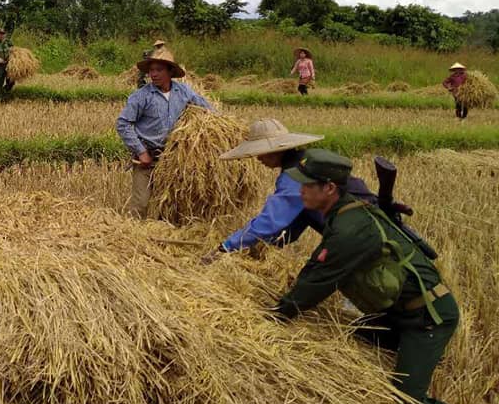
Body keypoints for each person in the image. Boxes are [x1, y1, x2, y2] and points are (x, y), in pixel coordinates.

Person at [270, 149, 495, 404]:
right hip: (397, 312)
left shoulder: (351, 229)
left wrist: (275, 316)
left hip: (425, 317)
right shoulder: (345, 213)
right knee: (353, 335)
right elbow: (316, 267)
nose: (301, 191)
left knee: (407, 402)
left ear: (329, 188)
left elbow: (318, 281)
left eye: (307, 185)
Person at [202, 119, 377, 264]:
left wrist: (226, 248)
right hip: (359, 228)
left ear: (276, 150)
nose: (258, 158)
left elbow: (270, 220)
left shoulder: (297, 175)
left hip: (363, 231)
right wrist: (265, 246)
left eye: (261, 152)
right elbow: (295, 222)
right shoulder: (304, 161)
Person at [116, 47, 212, 219]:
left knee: (168, 207)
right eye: (151, 70)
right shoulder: (141, 96)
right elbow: (123, 124)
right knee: (141, 204)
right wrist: (141, 152)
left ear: (170, 71)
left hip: (172, 160)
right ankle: (131, 239)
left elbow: (207, 109)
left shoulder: (183, 92)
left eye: (159, 70)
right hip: (146, 159)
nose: (154, 74)